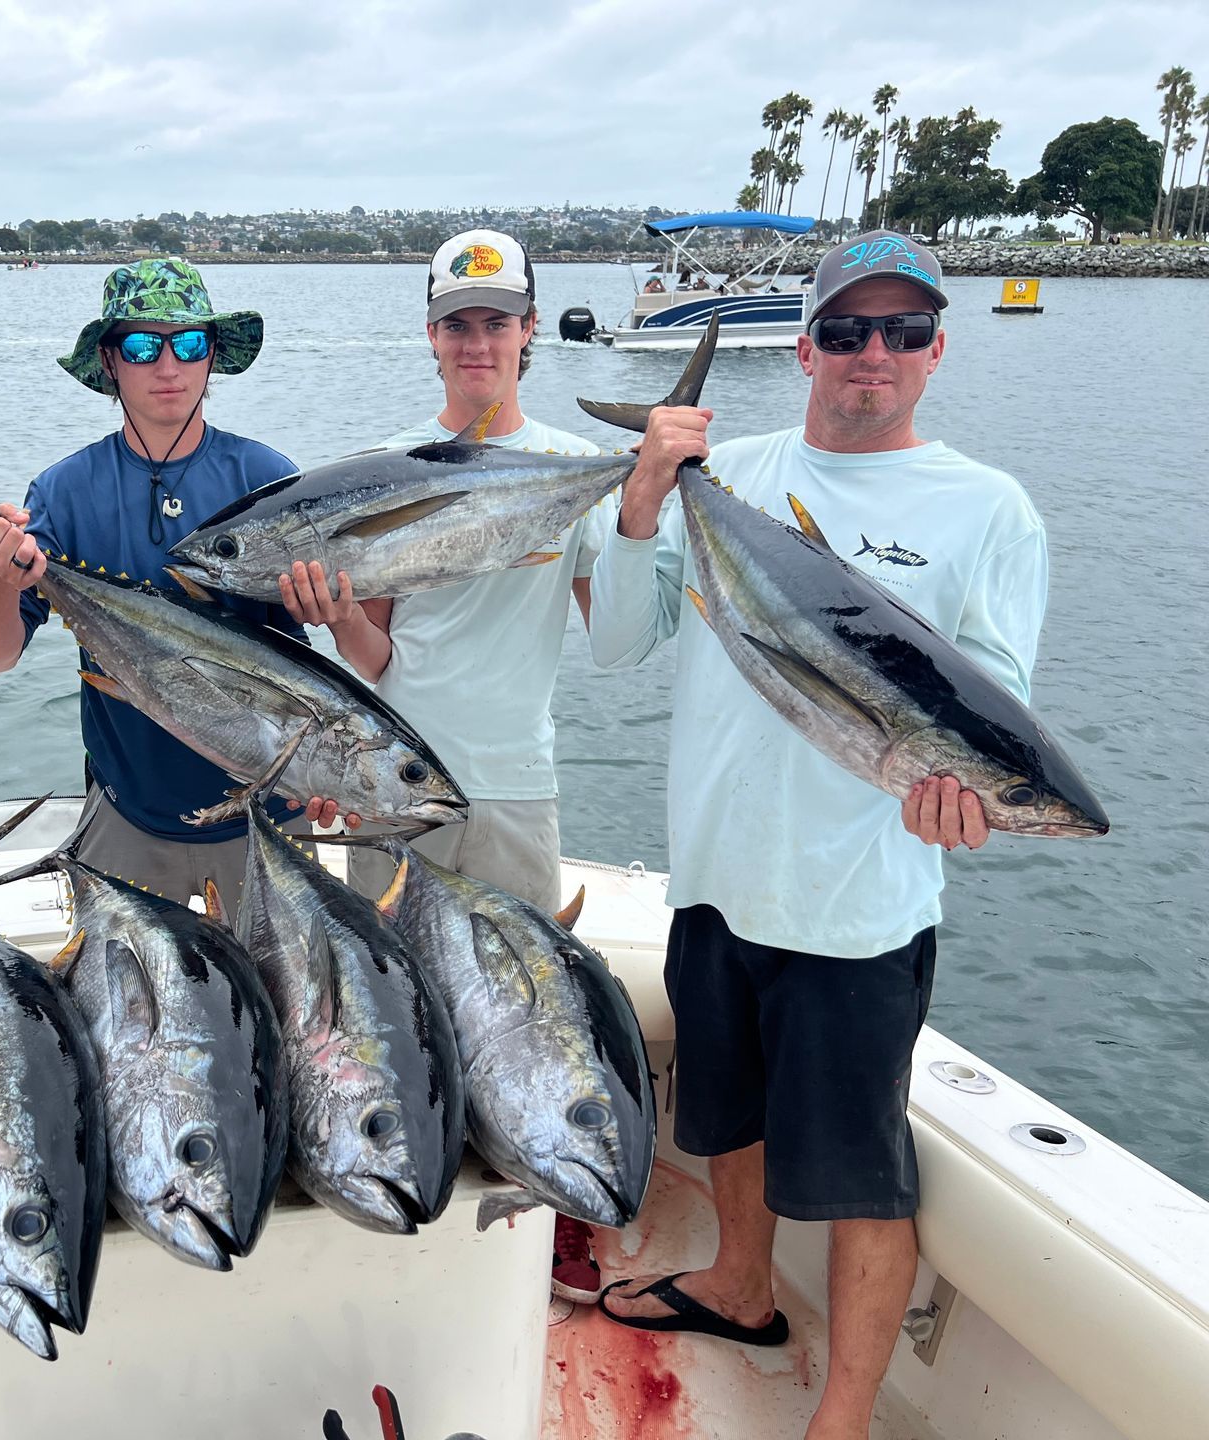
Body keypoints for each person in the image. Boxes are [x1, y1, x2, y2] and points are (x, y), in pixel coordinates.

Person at [588, 232, 1049, 1439]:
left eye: (902, 333)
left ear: (937, 352)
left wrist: (963, 800)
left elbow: (990, 704)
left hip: (856, 908)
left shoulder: (986, 510)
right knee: (724, 1117)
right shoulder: (721, 471)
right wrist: (643, 496)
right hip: (716, 877)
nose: (872, 355)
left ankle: (843, 1411)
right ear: (803, 349)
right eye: (846, 331)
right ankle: (741, 1290)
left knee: (860, 1178)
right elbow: (618, 644)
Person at [278, 227, 611, 1302]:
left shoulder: (574, 470)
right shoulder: (385, 470)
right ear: (432, 338)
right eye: (459, 324)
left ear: (528, 336)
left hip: (516, 781)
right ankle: (412, 1178)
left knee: (530, 1002)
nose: (480, 342)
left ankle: (548, 1202)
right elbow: (379, 652)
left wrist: (651, 499)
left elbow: (618, 630)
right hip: (393, 782)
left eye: (499, 323)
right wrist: (333, 625)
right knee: (396, 995)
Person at [0, 258, 313, 911]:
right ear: (110, 360)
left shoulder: (268, 478)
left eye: (189, 344)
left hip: (269, 823)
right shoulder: (64, 491)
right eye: (144, 345)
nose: (169, 367)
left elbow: (303, 669)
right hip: (124, 823)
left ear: (212, 356)